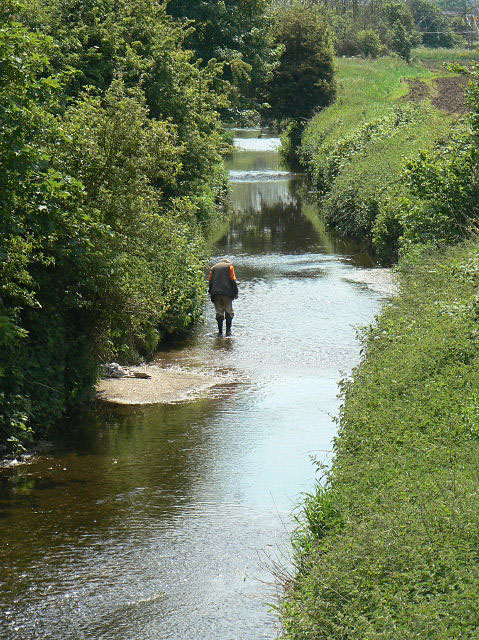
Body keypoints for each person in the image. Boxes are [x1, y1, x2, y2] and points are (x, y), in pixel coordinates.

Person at [208, 258, 238, 336]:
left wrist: (211, 293)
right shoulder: (230, 267)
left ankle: (220, 332)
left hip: (215, 293)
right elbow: (232, 280)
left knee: (219, 312)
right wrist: (235, 292)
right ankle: (228, 332)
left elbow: (210, 282)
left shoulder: (213, 268)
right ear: (228, 262)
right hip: (227, 293)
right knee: (229, 311)